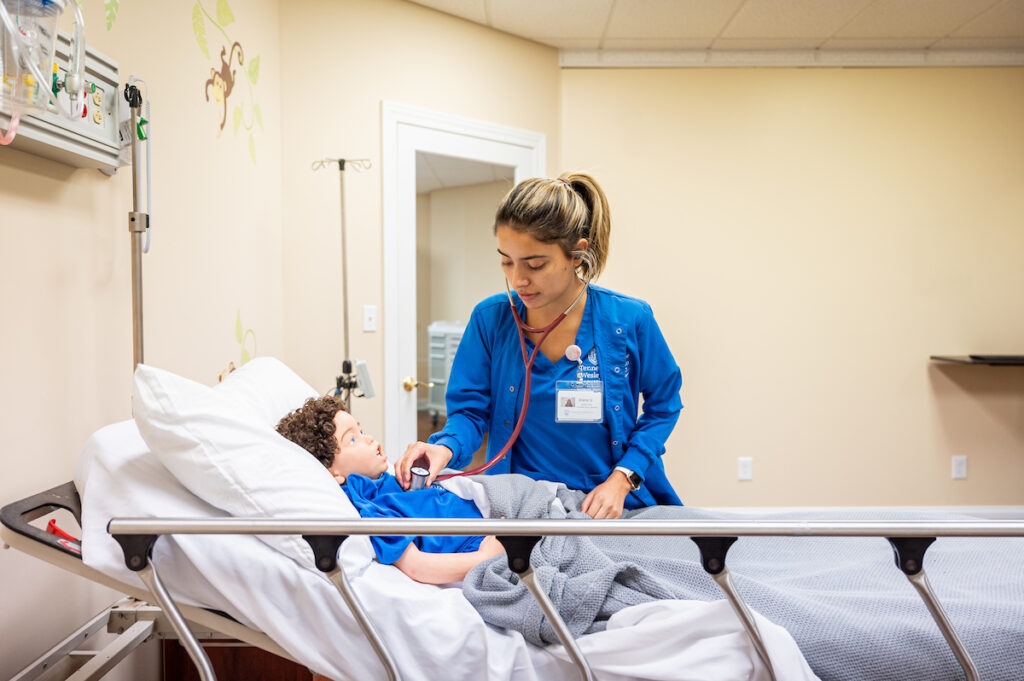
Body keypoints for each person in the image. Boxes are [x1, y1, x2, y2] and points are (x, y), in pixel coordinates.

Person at [396, 172, 683, 519]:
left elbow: (664, 406)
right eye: (506, 261)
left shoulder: (629, 320)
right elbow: (470, 413)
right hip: (521, 509)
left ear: (578, 254)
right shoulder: (490, 320)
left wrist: (623, 478)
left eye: (535, 264)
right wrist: (444, 447)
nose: (518, 280)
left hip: (605, 507)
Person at [276, 396, 505, 584]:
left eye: (361, 430)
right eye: (353, 439)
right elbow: (417, 566)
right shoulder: (368, 505)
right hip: (482, 547)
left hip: (496, 515)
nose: (369, 439)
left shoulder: (383, 483)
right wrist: (484, 557)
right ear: (332, 472)